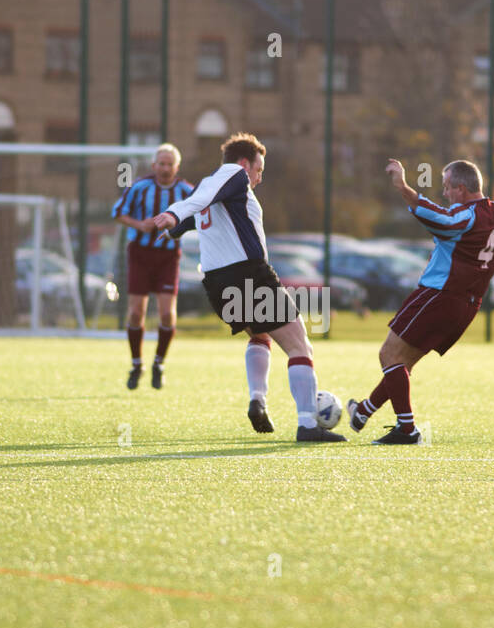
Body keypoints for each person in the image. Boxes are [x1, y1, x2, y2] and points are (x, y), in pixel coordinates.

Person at [149, 133, 344, 443]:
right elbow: (191, 206)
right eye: (258, 169)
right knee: (300, 345)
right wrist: (174, 215)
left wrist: (175, 223)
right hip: (248, 276)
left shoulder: (209, 186)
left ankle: (258, 398)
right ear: (243, 164)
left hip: (217, 283)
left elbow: (194, 210)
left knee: (260, 333)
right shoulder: (233, 174)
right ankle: (307, 424)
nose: (258, 178)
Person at [346, 160, 494, 444]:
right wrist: (493, 212)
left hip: (439, 295)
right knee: (403, 363)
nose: (445, 193)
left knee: (389, 356)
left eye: (447, 187)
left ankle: (407, 430)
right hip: (468, 306)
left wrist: (403, 187)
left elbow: (442, 219)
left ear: (461, 188)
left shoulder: (465, 219)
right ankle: (363, 411)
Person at [111, 144, 193, 389]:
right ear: (154, 165)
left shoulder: (187, 190)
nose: (166, 168)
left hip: (168, 257)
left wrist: (179, 228)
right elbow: (118, 212)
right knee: (136, 312)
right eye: (162, 164)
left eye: (170, 164)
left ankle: (159, 363)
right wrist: (139, 225)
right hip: (140, 254)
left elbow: (199, 217)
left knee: (167, 313)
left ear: (177, 167)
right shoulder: (139, 187)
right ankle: (137, 364)